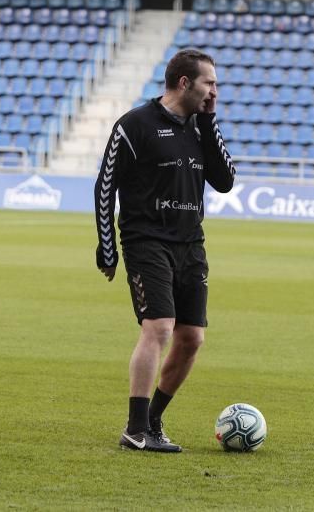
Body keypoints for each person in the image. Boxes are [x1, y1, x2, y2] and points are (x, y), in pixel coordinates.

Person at [94, 49, 236, 452]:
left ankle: (154, 421)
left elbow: (225, 181)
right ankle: (135, 429)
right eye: (210, 83)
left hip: (191, 245)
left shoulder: (200, 126)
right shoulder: (134, 125)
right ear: (185, 83)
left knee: (191, 338)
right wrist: (107, 247)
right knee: (159, 328)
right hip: (146, 241)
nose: (215, 91)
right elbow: (105, 187)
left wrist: (208, 123)